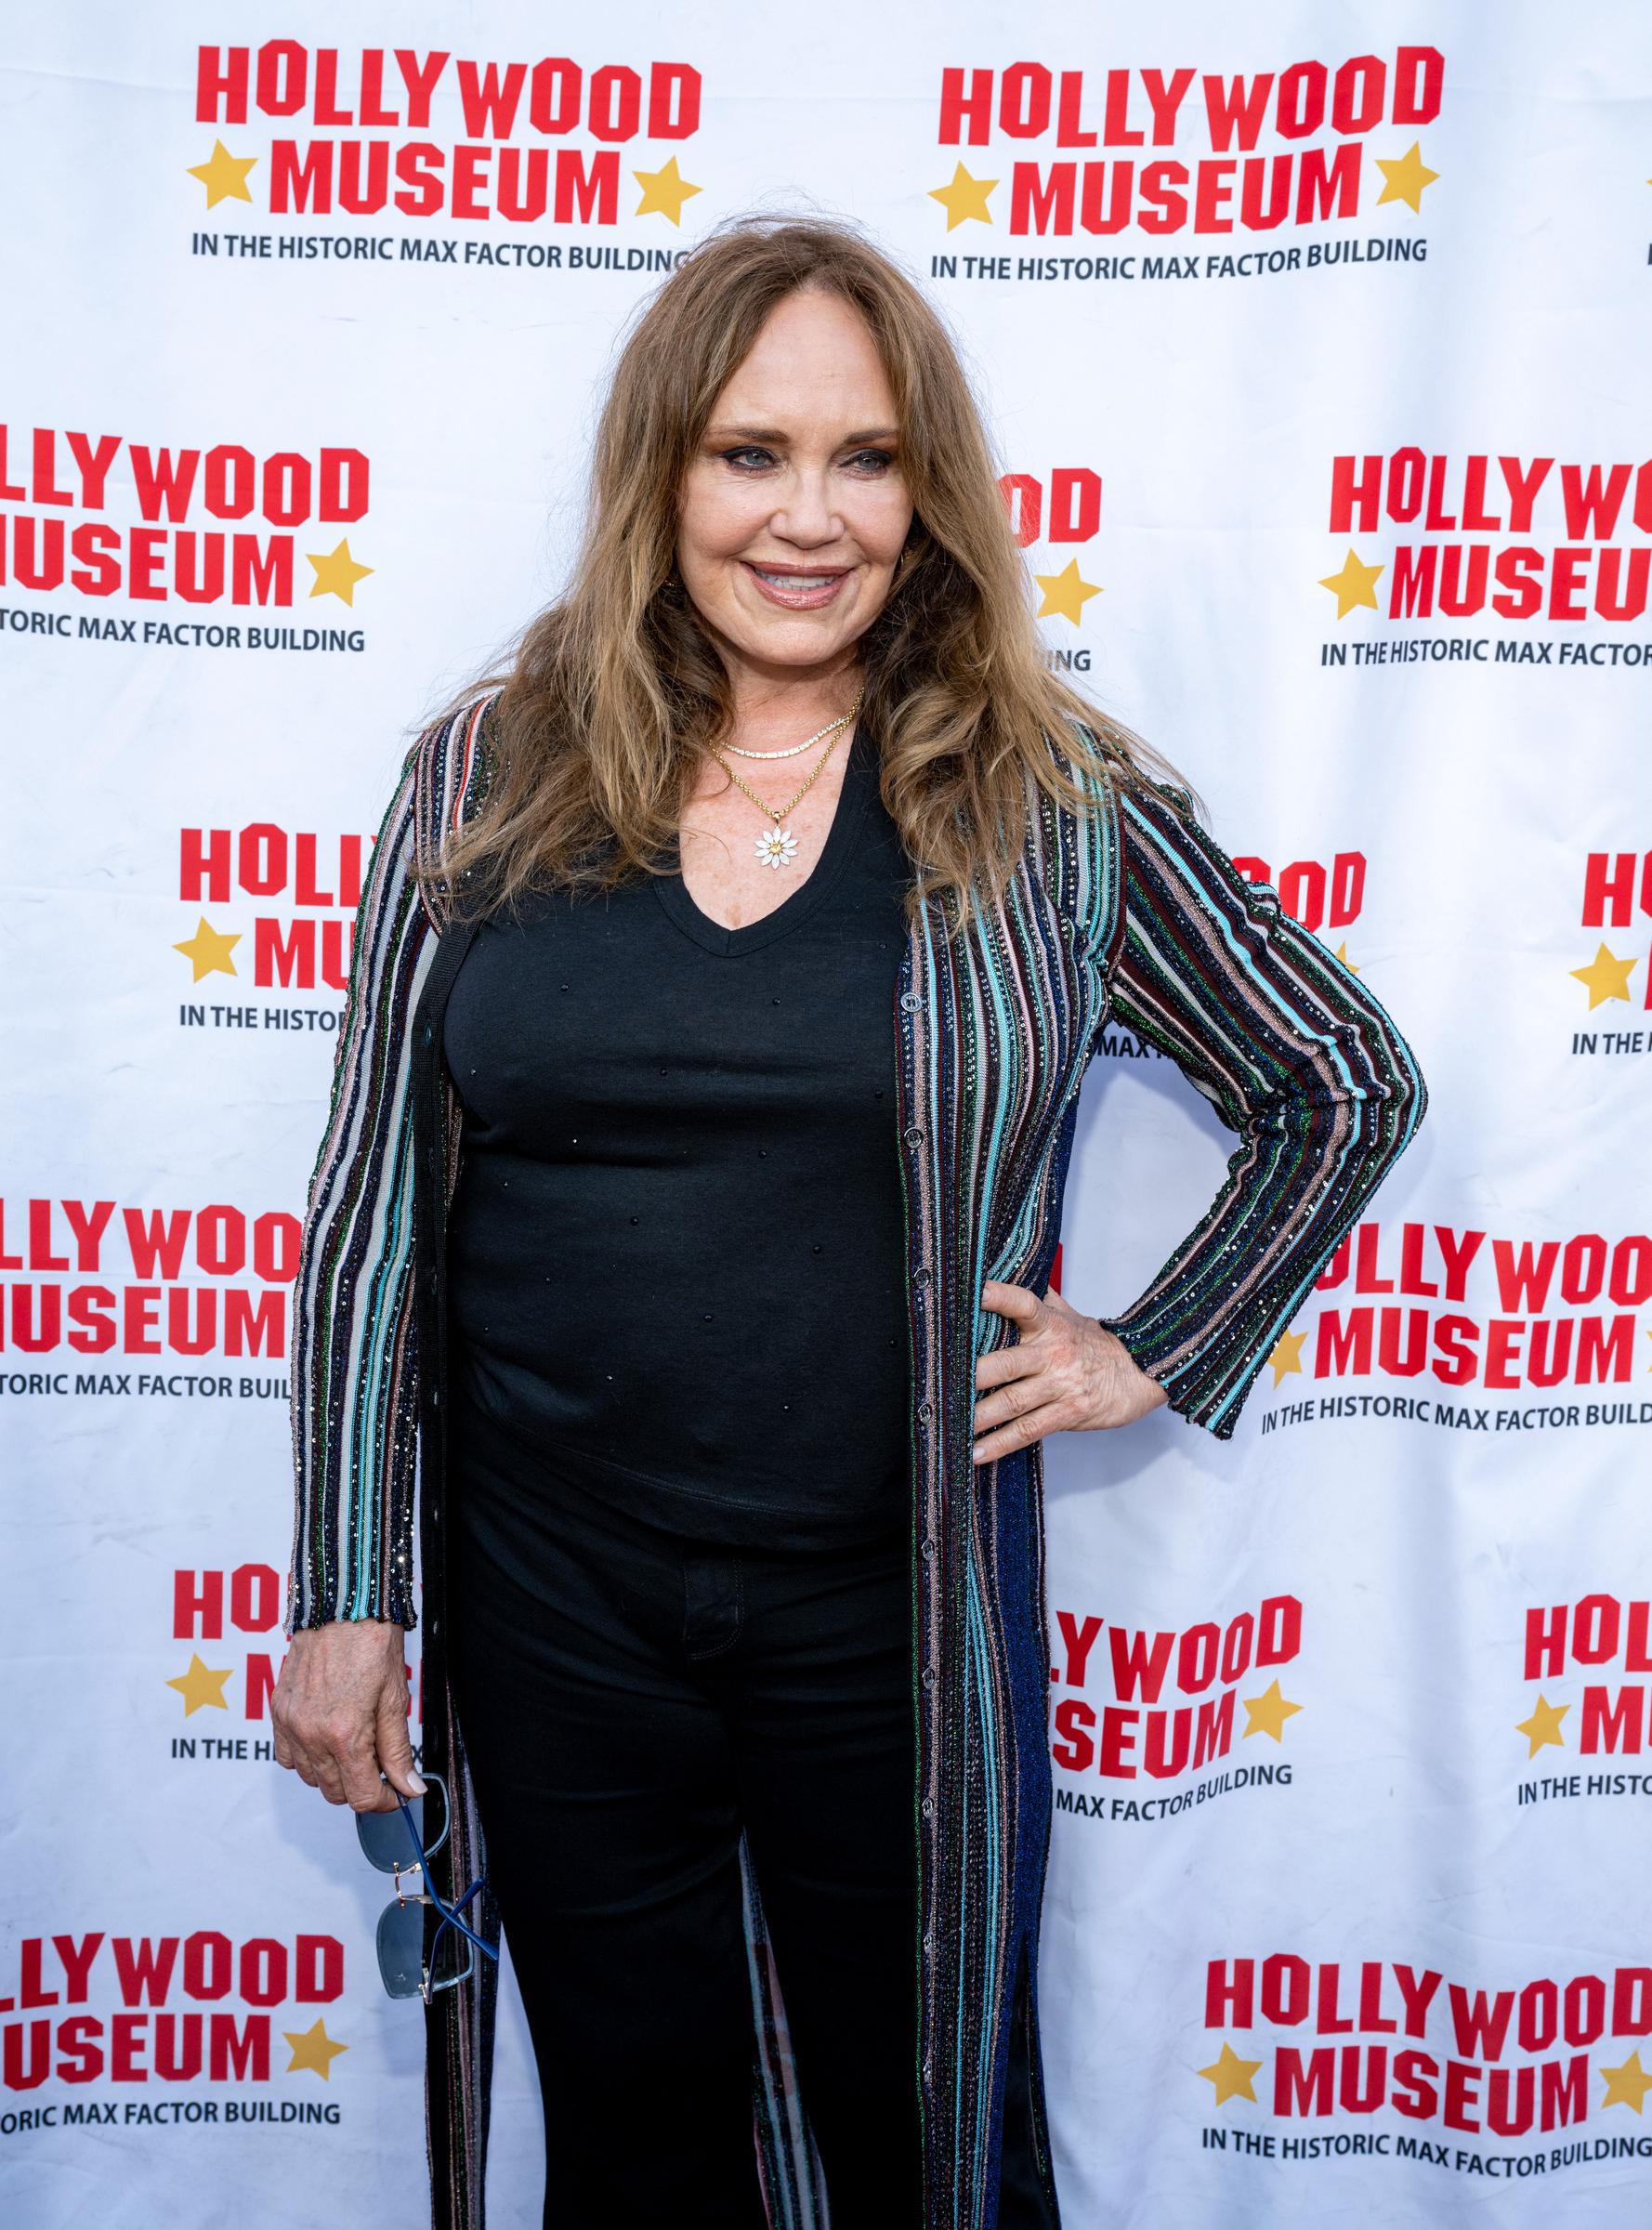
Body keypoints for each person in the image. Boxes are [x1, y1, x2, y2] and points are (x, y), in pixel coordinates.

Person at [270, 214, 1428, 2230]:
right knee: (633, 2142)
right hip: (553, 1614)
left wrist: (1143, 1342)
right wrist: (349, 1587)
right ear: (662, 477)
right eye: (749, 454)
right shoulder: (482, 776)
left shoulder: (1048, 809)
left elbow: (1338, 1079)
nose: (807, 516)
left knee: (921, 2144)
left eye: (866, 459)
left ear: (929, 493)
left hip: (884, 1628)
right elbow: (376, 1207)